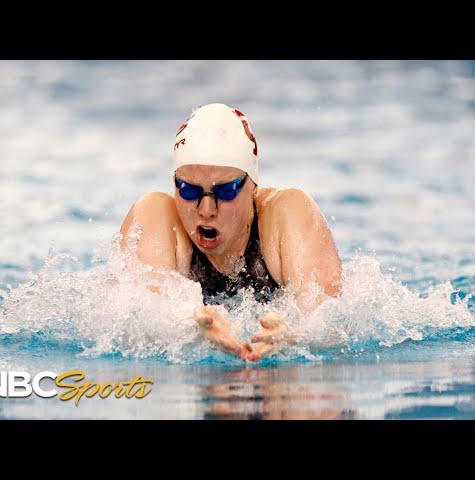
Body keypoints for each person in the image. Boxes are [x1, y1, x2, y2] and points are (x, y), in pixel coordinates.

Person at [120, 103, 342, 361]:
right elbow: (134, 326)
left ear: (253, 185)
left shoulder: (287, 213)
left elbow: (331, 320)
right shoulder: (156, 217)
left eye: (225, 191)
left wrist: (296, 336)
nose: (206, 209)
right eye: (189, 190)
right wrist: (190, 329)